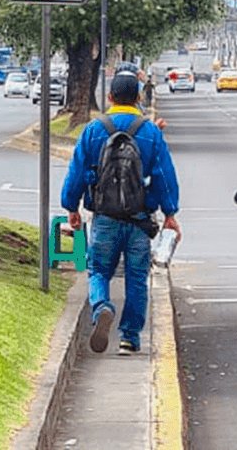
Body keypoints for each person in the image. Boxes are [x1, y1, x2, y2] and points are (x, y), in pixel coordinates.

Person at [61, 72, 182, 355]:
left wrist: (71, 207)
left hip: (104, 218)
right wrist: (170, 213)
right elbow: (164, 175)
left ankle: (102, 306)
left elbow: (77, 170)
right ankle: (129, 338)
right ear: (139, 98)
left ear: (110, 98)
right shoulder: (151, 132)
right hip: (140, 222)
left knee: (99, 270)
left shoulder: (93, 130)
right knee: (137, 277)